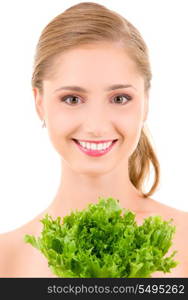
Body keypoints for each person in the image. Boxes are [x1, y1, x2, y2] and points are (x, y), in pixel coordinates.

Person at [0, 1, 187, 278]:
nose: (97, 126)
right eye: (72, 99)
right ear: (39, 103)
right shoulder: (7, 257)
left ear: (146, 102)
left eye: (120, 98)